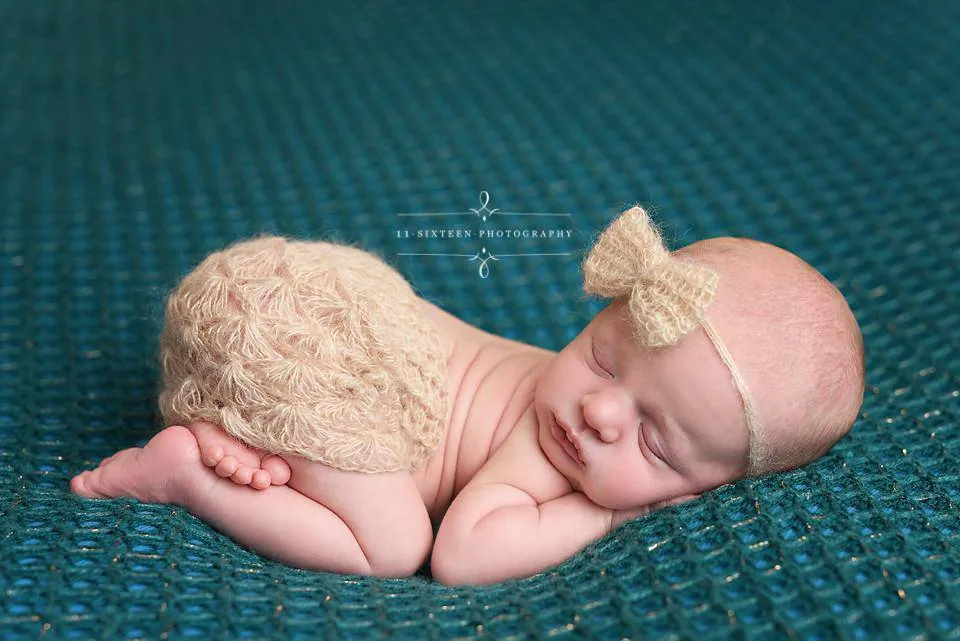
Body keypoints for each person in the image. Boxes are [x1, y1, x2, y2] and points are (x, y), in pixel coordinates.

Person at [70, 206, 865, 585]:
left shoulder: (571, 407)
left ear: (709, 483)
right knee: (392, 545)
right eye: (602, 359)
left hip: (267, 300)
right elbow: (460, 555)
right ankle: (186, 473)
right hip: (307, 336)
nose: (599, 413)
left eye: (653, 442)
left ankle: (244, 438)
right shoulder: (549, 456)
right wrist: (605, 508)